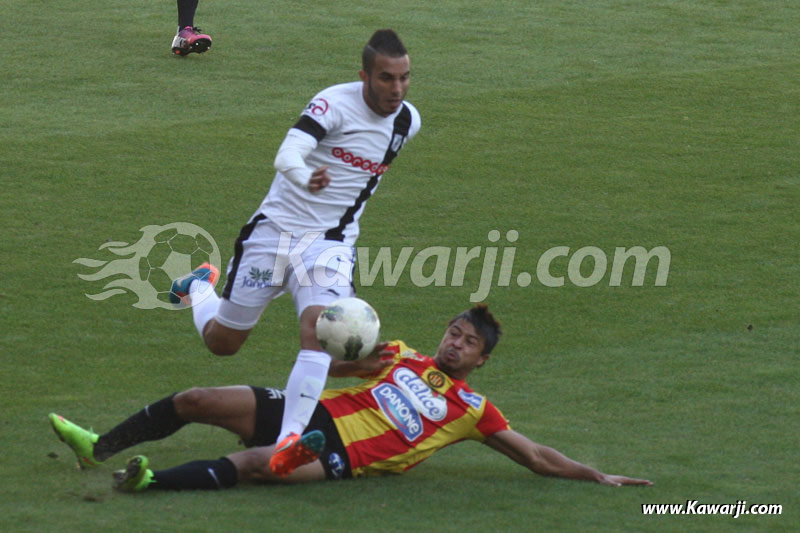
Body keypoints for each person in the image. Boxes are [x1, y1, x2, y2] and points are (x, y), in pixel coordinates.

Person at [166, 29, 421, 477]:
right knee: (223, 344)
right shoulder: (332, 105)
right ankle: (199, 288)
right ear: (364, 75)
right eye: (385, 78)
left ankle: (289, 441)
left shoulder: (407, 122)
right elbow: (287, 155)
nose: (396, 89)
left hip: (331, 242)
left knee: (319, 329)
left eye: (404, 78)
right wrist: (307, 179)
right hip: (274, 235)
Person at [48, 305, 652, 491]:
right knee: (198, 396)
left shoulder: (473, 412)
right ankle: (98, 447)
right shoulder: (399, 354)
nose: (454, 344)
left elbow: (536, 456)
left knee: (261, 465)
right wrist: (352, 361)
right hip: (307, 409)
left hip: (340, 454)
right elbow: (321, 364)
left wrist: (597, 476)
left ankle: (150, 483)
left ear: (482, 360)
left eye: (467, 343)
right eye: (453, 333)